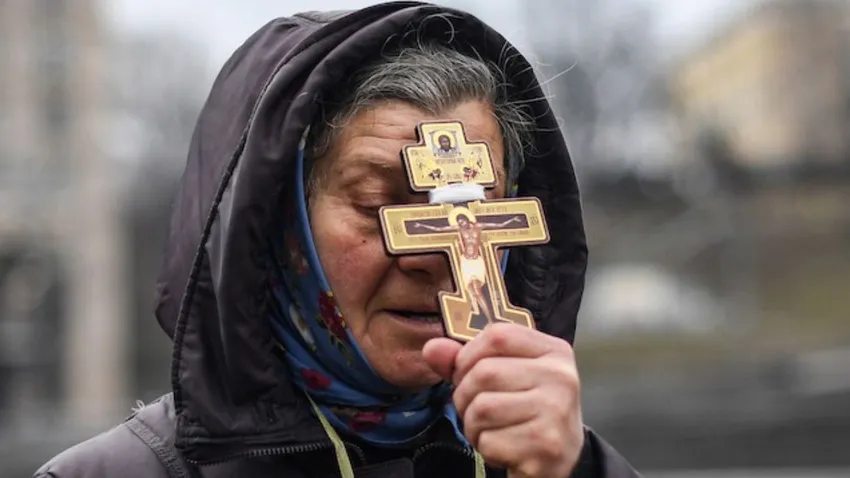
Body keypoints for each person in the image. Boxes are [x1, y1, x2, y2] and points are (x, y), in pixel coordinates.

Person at [35, 3, 640, 478]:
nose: (438, 258)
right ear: (278, 227)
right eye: (378, 205)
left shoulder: (556, 461)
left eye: (478, 207)